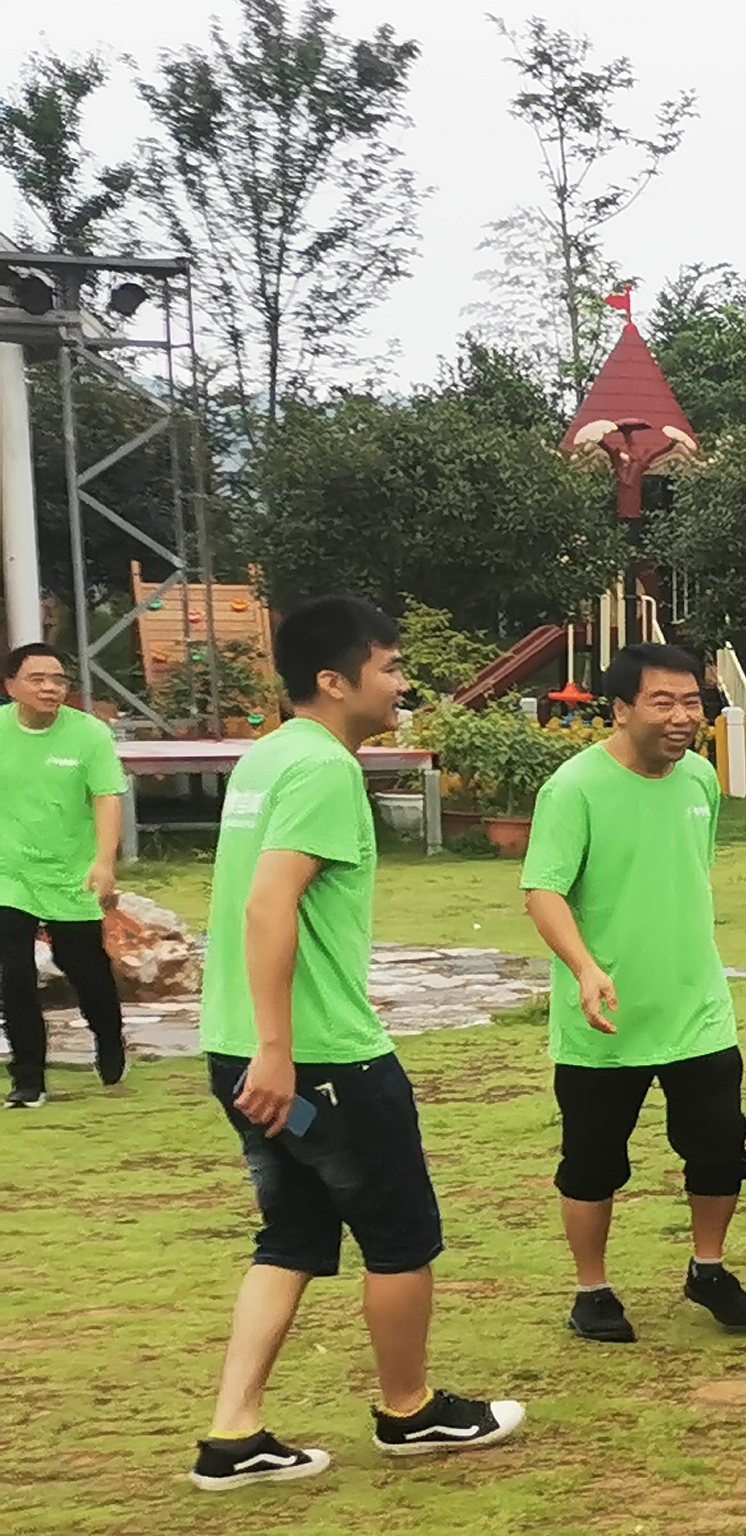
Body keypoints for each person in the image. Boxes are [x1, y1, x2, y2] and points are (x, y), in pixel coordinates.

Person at [192, 596, 523, 1487]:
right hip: (318, 1059)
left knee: (293, 1235)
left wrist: (260, 1048)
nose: (404, 684)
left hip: (240, 1049)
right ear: (334, 682)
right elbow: (269, 905)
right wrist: (280, 1048)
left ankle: (233, 1435)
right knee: (400, 1234)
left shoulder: (267, 757)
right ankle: (409, 1411)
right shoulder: (324, 769)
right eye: (391, 667)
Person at [519, 642, 746, 1345]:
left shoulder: (700, 779)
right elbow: (543, 891)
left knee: (720, 1149)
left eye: (692, 701)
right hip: (605, 1018)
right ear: (622, 708)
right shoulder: (574, 788)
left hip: (696, 1009)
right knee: (592, 1164)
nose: (682, 716)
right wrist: (585, 968)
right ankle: (591, 1291)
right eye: (663, 702)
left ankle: (708, 1269)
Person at [1, 639, 128, 1107]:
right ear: (11, 686)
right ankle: (28, 1078)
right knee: (13, 975)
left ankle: (109, 1039)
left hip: (72, 872)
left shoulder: (89, 735)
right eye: (37, 679)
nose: (50, 688)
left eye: (58, 679)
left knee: (85, 969)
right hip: (9, 873)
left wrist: (104, 863)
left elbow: (107, 798)